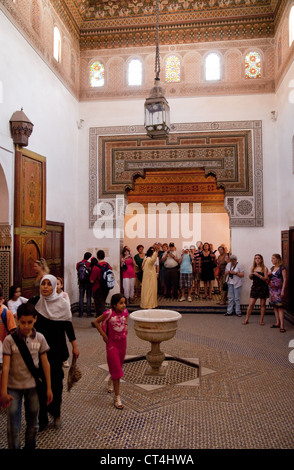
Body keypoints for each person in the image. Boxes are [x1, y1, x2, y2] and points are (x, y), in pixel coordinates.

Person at [29, 274, 79, 430]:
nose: (45, 287)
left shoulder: (62, 304)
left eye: (48, 284)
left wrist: (74, 345)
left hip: (56, 351)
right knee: (40, 385)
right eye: (43, 284)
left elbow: (68, 326)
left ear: (53, 286)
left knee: (56, 384)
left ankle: (56, 412)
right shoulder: (35, 303)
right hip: (38, 351)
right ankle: (42, 418)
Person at [0, 302, 53, 449]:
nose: (26, 326)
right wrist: (3, 391)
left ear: (35, 319)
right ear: (17, 320)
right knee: (13, 428)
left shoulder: (40, 338)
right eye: (22, 322)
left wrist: (49, 387)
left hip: (33, 387)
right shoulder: (9, 341)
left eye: (30, 322)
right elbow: (5, 366)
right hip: (13, 388)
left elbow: (45, 364)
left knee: (33, 425)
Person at [92, 293, 128, 410]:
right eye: (121, 303)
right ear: (114, 304)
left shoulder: (125, 312)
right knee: (117, 370)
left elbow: (126, 316)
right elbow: (96, 322)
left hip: (122, 344)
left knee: (118, 367)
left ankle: (111, 378)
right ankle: (117, 397)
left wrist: (126, 325)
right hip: (112, 345)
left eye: (124, 303)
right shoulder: (108, 313)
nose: (123, 305)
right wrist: (103, 335)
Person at [242, 254, 269, 325]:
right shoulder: (253, 268)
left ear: (261, 259)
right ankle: (246, 319)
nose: (257, 260)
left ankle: (261, 320)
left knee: (262, 304)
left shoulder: (265, 268)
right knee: (251, 304)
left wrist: (259, 275)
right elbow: (252, 278)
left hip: (263, 287)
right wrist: (250, 276)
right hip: (255, 287)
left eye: (259, 258)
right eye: (256, 258)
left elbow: (266, 278)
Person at [90, 250, 112, 318]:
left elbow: (92, 280)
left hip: (98, 288)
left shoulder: (96, 267)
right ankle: (101, 320)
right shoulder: (108, 265)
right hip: (106, 287)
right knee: (102, 302)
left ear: (97, 257)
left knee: (99, 305)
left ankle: (101, 320)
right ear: (104, 256)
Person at [268, 253, 287, 332]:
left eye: (273, 258)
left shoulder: (282, 268)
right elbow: (268, 277)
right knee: (275, 306)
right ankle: (277, 322)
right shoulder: (272, 268)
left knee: (280, 307)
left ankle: (282, 325)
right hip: (272, 289)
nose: (272, 260)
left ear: (277, 259)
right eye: (272, 258)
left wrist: (283, 290)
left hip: (278, 290)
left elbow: (285, 279)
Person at [76, 252, 92, 317]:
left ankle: (80, 313)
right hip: (88, 282)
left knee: (81, 297)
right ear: (89, 257)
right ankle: (88, 313)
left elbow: (77, 271)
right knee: (88, 297)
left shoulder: (78, 264)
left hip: (81, 282)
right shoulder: (89, 264)